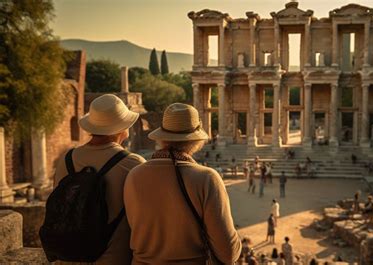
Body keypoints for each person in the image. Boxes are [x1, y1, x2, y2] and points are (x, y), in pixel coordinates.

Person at [124, 103, 241, 264]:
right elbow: (228, 253)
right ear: (198, 140)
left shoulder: (134, 175)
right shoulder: (206, 178)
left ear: (162, 137)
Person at [51, 94, 146, 265]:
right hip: (114, 259)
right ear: (122, 130)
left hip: (68, 257)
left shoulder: (66, 159)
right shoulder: (133, 164)